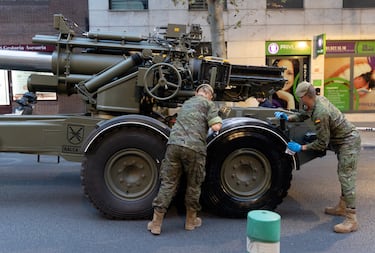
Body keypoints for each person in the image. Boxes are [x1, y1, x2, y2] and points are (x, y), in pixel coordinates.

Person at [274, 81, 361, 233]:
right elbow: (304, 115)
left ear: (307, 96)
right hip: (340, 140)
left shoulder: (321, 112)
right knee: (343, 175)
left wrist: (301, 147)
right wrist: (288, 118)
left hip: (348, 141)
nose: (300, 101)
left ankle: (351, 219)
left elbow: (322, 143)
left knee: (346, 177)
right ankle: (341, 207)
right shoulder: (316, 101)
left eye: (301, 98)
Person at [147, 83, 223, 235]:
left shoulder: (187, 103)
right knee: (194, 185)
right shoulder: (209, 104)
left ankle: (156, 223)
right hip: (194, 148)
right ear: (210, 96)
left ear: (197, 93)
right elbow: (216, 127)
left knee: (168, 183)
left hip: (174, 145)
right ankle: (190, 221)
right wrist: (219, 120)